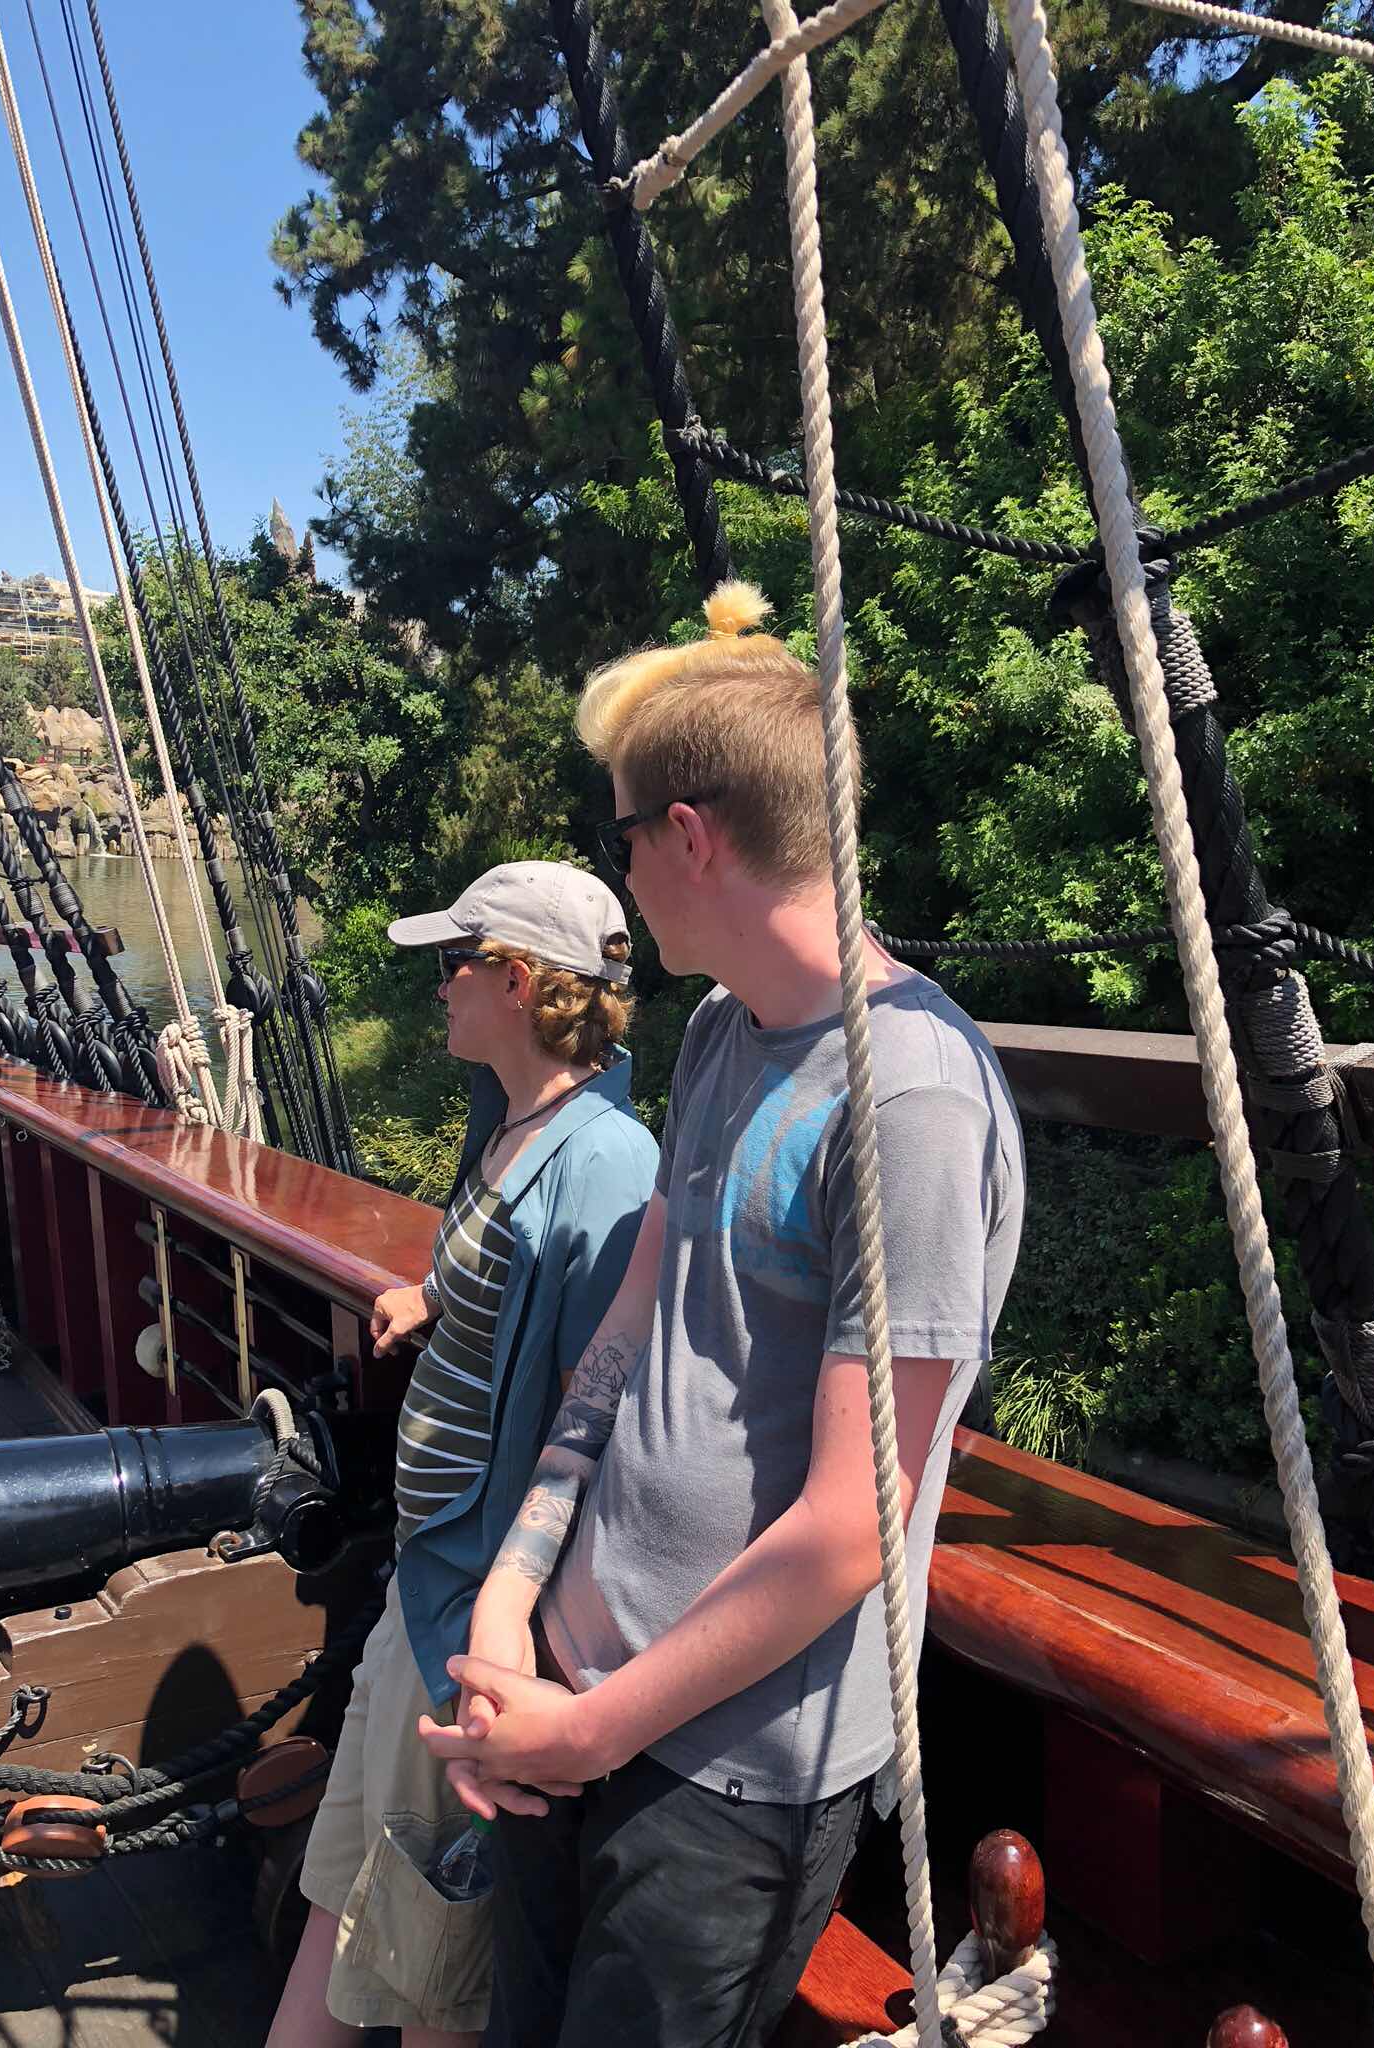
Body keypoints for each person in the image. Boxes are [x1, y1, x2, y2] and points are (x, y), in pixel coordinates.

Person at [419, 583, 1026, 2048]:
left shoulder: (914, 1102)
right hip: (568, 1684)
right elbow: (629, 1328)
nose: (621, 873)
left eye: (623, 834)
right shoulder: (717, 1033)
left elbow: (852, 1526)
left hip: (726, 1774)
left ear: (687, 836)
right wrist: (512, 1597)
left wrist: (593, 1731)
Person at [266, 859, 658, 2048]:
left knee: (429, 1956)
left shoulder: (609, 1164)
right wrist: (431, 1294)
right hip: (422, 1579)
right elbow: (499, 1267)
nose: (438, 987)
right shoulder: (508, 1122)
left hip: (471, 1621)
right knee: (344, 1896)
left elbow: (595, 1414)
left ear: (520, 981)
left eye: (455, 963)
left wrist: (510, 1631)